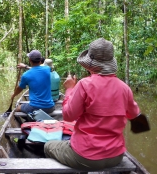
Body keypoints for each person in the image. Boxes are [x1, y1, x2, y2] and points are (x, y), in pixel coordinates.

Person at [44, 38, 141, 171]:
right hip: (116, 156)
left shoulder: (84, 84)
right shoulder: (125, 88)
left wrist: (70, 89)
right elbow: (136, 116)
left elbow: (68, 116)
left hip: (85, 156)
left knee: (48, 146)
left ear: (90, 65)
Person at [11, 50, 55, 114]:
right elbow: (37, 69)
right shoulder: (47, 69)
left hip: (34, 107)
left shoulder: (26, 75)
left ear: (30, 60)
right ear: (40, 60)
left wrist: (13, 95)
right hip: (50, 108)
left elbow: (19, 88)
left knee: (18, 108)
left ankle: (28, 119)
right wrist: (25, 67)